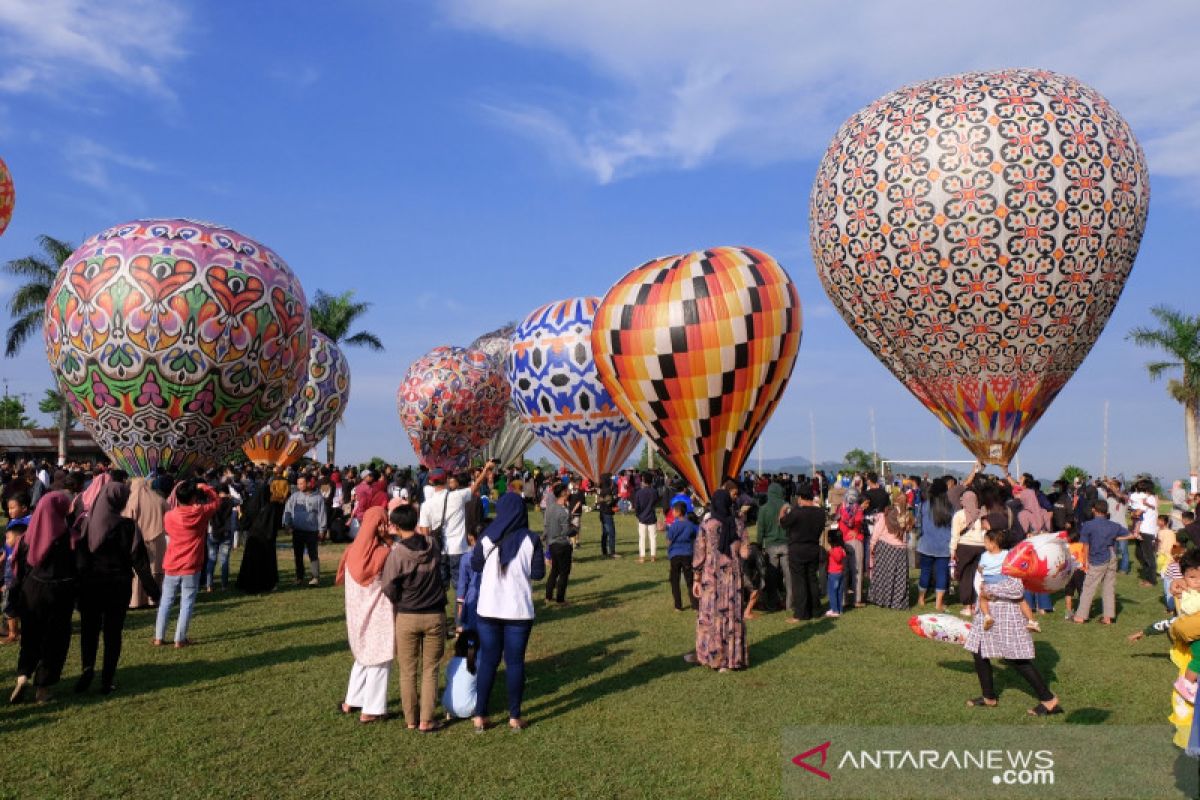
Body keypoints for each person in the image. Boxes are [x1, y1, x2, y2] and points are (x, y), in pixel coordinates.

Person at [470, 493, 545, 732]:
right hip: (518, 610)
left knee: (489, 662)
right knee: (515, 663)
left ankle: (480, 715)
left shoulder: (486, 537)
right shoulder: (531, 539)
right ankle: (514, 716)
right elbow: (538, 574)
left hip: (489, 608)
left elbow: (475, 564)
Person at [76, 480, 158, 695]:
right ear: (121, 499)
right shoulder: (128, 526)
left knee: (89, 630)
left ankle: (87, 668)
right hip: (118, 586)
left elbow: (80, 559)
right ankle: (107, 678)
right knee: (113, 633)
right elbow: (139, 562)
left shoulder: (86, 523)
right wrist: (153, 591)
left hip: (90, 586)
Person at [9, 479, 81, 704]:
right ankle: (43, 688)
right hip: (59, 593)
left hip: (31, 591)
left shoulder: (26, 539)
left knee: (30, 636)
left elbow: (18, 570)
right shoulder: (69, 538)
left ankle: (23, 675)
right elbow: (78, 567)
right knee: (54, 640)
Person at [962, 561, 1062, 715]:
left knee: (1016, 658)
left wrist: (989, 589)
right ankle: (988, 697)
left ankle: (1049, 701)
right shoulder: (991, 558)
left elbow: (1017, 593)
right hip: (987, 613)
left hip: (1006, 614)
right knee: (979, 650)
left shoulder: (1011, 563)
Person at [382, 504, 446, 732]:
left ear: (396, 527)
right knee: (431, 669)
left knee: (408, 670)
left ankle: (411, 719)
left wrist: (400, 600)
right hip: (435, 615)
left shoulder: (397, 553)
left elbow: (388, 585)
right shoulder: (432, 544)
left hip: (407, 616)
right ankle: (426, 719)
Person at [336, 507, 395, 725]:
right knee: (380, 658)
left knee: (362, 656)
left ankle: (352, 699)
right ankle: (371, 709)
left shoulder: (351, 551)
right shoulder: (382, 553)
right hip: (378, 614)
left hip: (356, 613)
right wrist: (388, 539)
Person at [687, 487, 749, 669]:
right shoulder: (739, 524)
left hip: (711, 577)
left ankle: (711, 656)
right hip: (733, 577)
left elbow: (699, 555)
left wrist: (696, 579)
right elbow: (745, 553)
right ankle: (732, 659)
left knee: (710, 615)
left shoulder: (707, 526)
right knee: (732, 615)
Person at [154, 480, 220, 648]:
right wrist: (205, 487)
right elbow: (216, 502)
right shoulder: (200, 513)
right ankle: (179, 638)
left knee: (166, 601)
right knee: (187, 602)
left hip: (172, 563)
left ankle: (159, 637)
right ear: (193, 497)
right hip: (191, 564)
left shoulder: (169, 515)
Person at [419, 465, 491, 593]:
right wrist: (485, 470)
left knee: (439, 590)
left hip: (439, 550)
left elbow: (425, 533)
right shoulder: (458, 496)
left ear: (430, 482)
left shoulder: (426, 506)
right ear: (446, 479)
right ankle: (461, 612)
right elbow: (476, 485)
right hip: (459, 548)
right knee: (461, 589)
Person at [1073, 500, 1135, 624]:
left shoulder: (1088, 525)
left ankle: (1080, 616)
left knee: (1089, 587)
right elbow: (1131, 535)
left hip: (1097, 558)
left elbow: (1085, 545)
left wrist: (1085, 562)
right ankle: (1108, 617)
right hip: (1111, 555)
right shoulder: (1113, 525)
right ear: (1106, 511)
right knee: (1109, 587)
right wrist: (1116, 538)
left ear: (1094, 510)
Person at [975, 528, 1039, 633]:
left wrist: (983, 573)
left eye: (985, 542)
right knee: (1021, 600)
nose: (984, 544)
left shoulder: (984, 556)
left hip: (990, 584)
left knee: (982, 598)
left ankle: (987, 616)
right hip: (1005, 581)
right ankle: (1032, 621)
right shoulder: (1007, 553)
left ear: (993, 544)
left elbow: (980, 569)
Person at [782, 485, 826, 622]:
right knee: (812, 579)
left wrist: (782, 511)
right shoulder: (820, 513)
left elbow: (783, 523)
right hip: (813, 547)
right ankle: (816, 610)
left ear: (800, 498)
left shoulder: (796, 512)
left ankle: (801, 613)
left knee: (799, 581)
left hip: (798, 548)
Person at [125, 478, 168, 609]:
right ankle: (153, 598)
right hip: (157, 538)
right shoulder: (159, 499)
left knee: (138, 569)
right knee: (155, 569)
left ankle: (135, 600)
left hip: (136, 540)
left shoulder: (130, 501)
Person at [283, 475, 328, 587]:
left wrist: (322, 530)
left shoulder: (318, 498)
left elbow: (322, 515)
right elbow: (287, 510)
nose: (300, 486)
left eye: (302, 483)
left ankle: (315, 577)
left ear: (308, 483)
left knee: (313, 555)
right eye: (298, 484)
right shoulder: (294, 497)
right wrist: (286, 524)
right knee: (298, 555)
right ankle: (299, 577)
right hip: (297, 531)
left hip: (312, 532)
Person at [236, 477, 279, 594]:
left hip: (254, 538)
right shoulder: (271, 507)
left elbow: (244, 523)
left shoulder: (251, 506)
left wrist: (240, 513)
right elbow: (275, 525)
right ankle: (267, 584)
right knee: (266, 563)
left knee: (251, 563)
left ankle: (249, 584)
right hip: (266, 539)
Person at [916, 478, 953, 611]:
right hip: (944, 546)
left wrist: (920, 536)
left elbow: (918, 525)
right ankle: (938, 603)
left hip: (926, 545)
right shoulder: (950, 508)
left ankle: (921, 599)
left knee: (925, 572)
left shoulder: (924, 505)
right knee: (942, 574)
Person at [867, 505, 911, 610]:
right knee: (899, 577)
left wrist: (872, 546)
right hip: (901, 549)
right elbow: (907, 533)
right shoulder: (905, 517)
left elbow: (876, 533)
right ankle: (898, 602)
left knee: (883, 574)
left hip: (885, 548)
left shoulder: (883, 517)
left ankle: (881, 599)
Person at [757, 482, 790, 612]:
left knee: (771, 576)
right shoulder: (787, 506)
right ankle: (790, 603)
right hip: (786, 544)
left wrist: (759, 546)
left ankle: (772, 603)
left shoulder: (763, 509)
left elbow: (760, 531)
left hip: (771, 546)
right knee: (789, 576)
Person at [205, 483, 239, 592]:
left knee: (211, 559)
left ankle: (209, 584)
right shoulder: (231, 502)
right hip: (226, 533)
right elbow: (239, 501)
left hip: (213, 532)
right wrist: (231, 495)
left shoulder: (213, 502)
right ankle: (224, 585)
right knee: (224, 560)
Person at [666, 501, 699, 611]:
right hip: (687, 554)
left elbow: (669, 540)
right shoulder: (690, 525)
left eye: (673, 511)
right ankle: (695, 605)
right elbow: (695, 537)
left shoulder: (674, 526)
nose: (672, 513)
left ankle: (678, 606)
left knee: (675, 581)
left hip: (675, 555)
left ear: (678, 512)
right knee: (690, 580)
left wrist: (669, 549)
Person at [543, 484, 573, 605]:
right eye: (567, 490)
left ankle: (548, 596)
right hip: (562, 544)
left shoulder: (549, 508)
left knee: (555, 570)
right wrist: (574, 530)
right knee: (564, 572)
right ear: (563, 493)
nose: (569, 492)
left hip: (552, 544)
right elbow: (566, 531)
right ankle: (560, 599)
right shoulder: (563, 511)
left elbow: (546, 527)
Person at [2, 515, 28, 643]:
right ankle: (14, 632)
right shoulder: (9, 549)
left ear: (18, 538)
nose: (6, 541)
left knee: (17, 608)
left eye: (8, 538)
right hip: (9, 584)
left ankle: (18, 634)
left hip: (18, 586)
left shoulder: (23, 552)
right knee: (10, 608)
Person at [442, 630, 478, 721]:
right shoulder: (478, 663)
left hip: (448, 705)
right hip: (469, 708)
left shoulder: (452, 662)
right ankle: (478, 713)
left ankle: (449, 713)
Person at [634, 474, 660, 563]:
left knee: (642, 538)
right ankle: (653, 556)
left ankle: (642, 557)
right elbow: (656, 502)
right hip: (652, 516)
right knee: (653, 537)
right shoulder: (654, 491)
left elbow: (637, 506)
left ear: (643, 481)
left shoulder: (639, 492)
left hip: (642, 517)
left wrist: (638, 515)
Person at [825, 530, 846, 618]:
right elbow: (843, 555)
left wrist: (830, 552)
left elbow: (837, 558)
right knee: (839, 592)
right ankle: (839, 609)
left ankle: (835, 610)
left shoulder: (835, 550)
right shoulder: (841, 549)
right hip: (840, 573)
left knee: (832, 592)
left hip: (834, 574)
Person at [596, 487, 618, 558]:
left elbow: (599, 500)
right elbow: (609, 502)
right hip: (607, 514)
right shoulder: (608, 490)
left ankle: (604, 552)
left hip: (602, 513)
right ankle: (612, 552)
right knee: (611, 533)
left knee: (605, 533)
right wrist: (617, 499)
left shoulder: (603, 490)